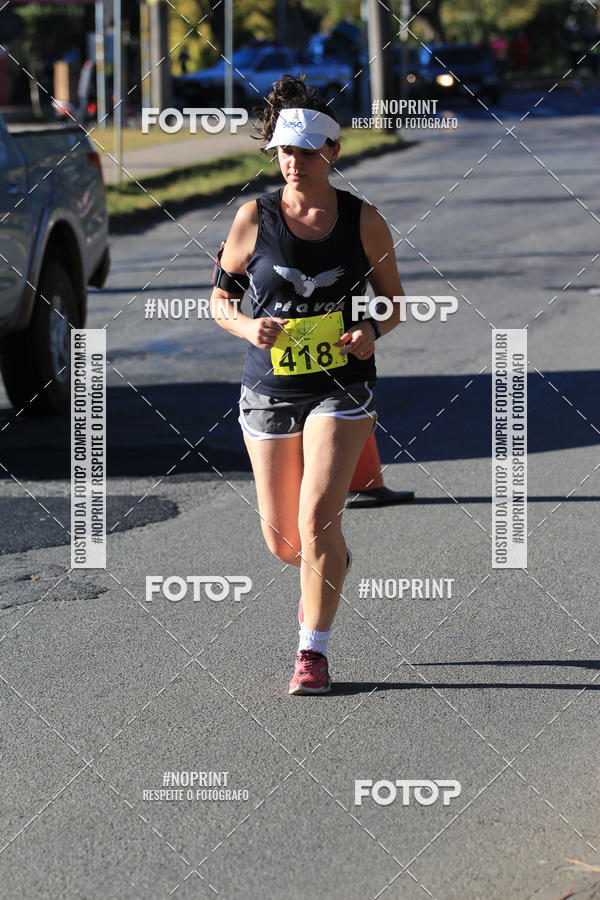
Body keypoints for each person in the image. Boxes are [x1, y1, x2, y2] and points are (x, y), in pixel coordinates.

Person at [210, 74, 404, 694]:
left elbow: (394, 303)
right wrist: (245, 328)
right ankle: (329, 567)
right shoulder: (253, 218)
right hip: (268, 388)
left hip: (342, 386)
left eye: (305, 151)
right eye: (283, 151)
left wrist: (371, 331)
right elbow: (220, 299)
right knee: (285, 542)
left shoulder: (363, 220)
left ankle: (312, 653)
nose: (293, 163)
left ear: (332, 153)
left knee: (319, 519)